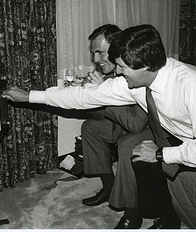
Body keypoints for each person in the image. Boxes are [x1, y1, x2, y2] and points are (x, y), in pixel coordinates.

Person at [2, 24, 196, 229]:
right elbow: (82, 97)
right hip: (181, 134)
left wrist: (162, 153)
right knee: (140, 156)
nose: (117, 71)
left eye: (122, 67)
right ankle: (168, 215)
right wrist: (30, 96)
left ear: (145, 66)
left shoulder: (193, 85)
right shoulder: (135, 82)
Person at [79, 24, 150, 229]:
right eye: (93, 53)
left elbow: (137, 125)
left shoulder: (135, 69)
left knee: (127, 144)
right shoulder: (110, 73)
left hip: (150, 128)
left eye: (100, 52)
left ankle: (133, 212)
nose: (96, 60)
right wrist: (91, 95)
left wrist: (102, 91)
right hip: (124, 125)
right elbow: (99, 114)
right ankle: (109, 188)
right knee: (90, 128)